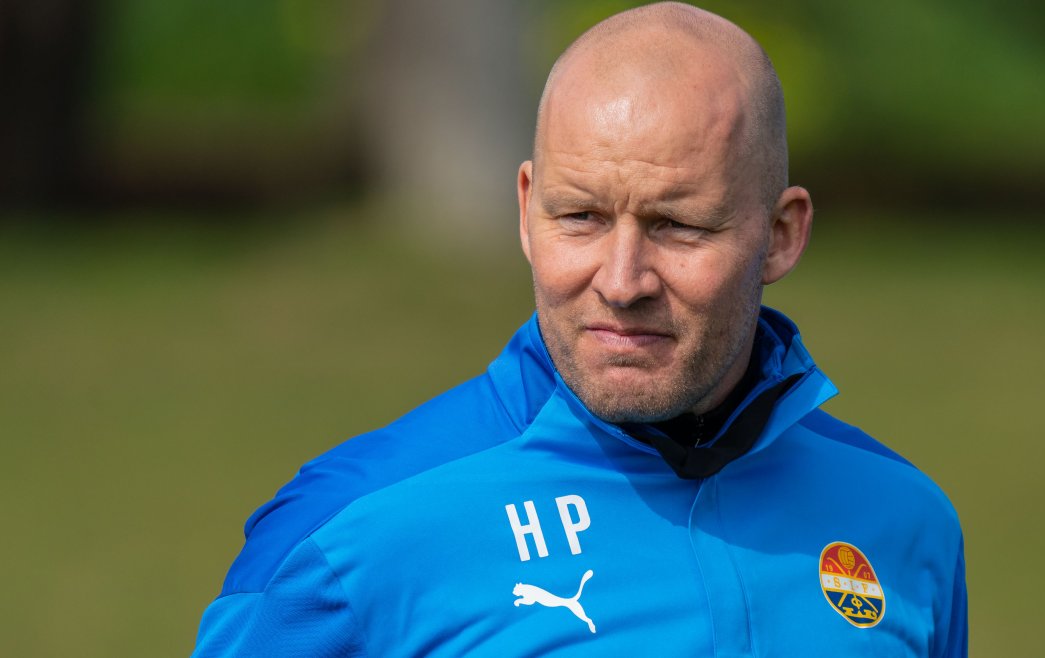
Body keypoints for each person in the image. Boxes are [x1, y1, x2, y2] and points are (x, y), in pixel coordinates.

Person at [193, 3, 967, 656]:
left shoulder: (902, 521)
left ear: (782, 234)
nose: (622, 282)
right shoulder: (343, 539)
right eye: (581, 217)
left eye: (678, 226)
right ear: (527, 210)